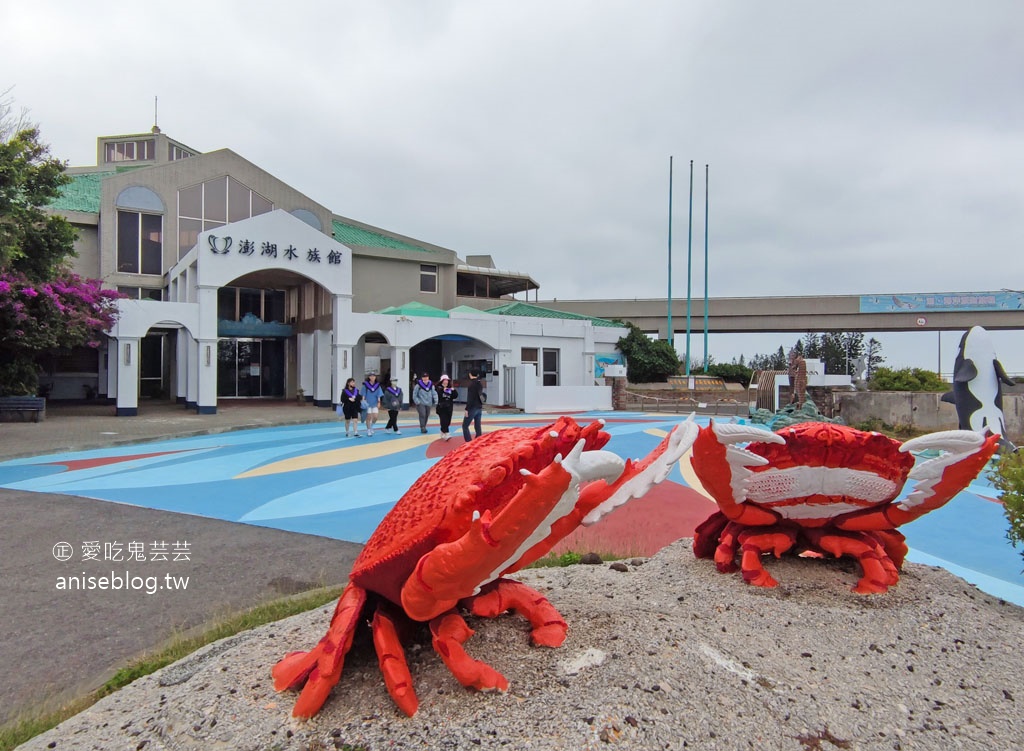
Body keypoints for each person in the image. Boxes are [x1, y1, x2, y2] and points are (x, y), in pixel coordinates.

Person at [462, 370, 484, 442]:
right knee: (477, 425)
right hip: (479, 406)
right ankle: (479, 439)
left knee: (465, 426)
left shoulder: (471, 385)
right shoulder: (479, 383)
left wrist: (467, 409)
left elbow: (470, 398)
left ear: (470, 375)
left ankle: (468, 441)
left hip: (472, 407)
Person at [435, 374, 458, 440]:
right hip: (441, 407)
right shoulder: (438, 388)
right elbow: (438, 394)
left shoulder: (450, 388)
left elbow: (455, 396)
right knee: (444, 420)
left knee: (448, 421)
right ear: (441, 381)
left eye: (447, 380)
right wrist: (443, 390)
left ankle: (442, 430)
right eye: (444, 380)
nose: (446, 382)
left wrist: (453, 391)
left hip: (449, 407)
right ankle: (447, 433)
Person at [360, 372, 383, 436]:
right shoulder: (366, 385)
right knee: (368, 417)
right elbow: (363, 394)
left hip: (374, 403)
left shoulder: (377, 386)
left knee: (375, 417)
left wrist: (379, 402)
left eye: (374, 376)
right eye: (371, 376)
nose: (372, 377)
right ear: (369, 377)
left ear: (375, 377)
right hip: (367, 403)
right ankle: (368, 430)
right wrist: (363, 401)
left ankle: (371, 426)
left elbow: (379, 395)